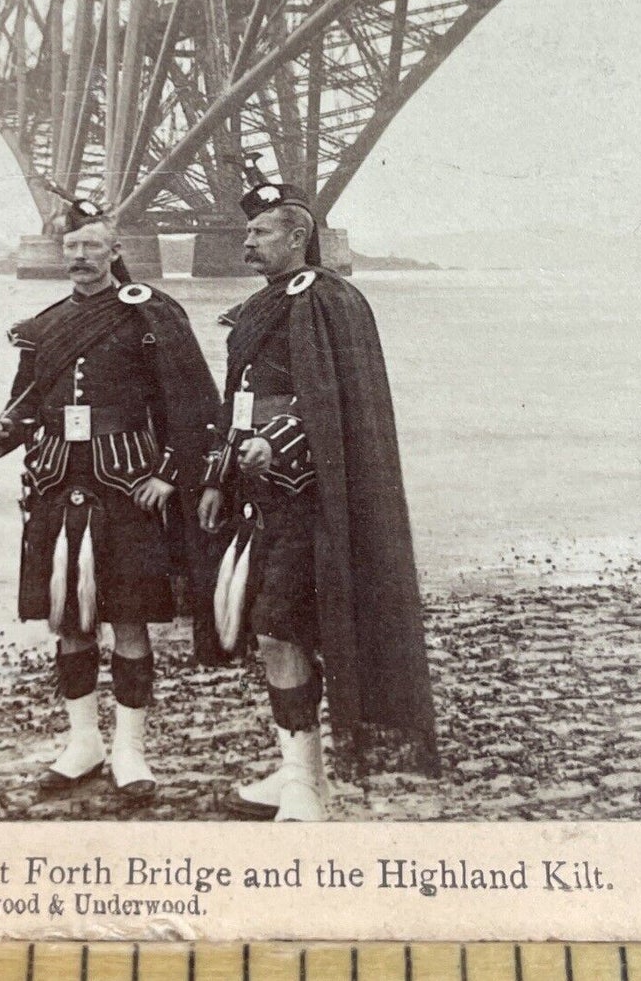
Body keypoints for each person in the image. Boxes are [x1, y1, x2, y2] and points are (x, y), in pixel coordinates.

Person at [198, 181, 439, 821]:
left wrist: (277, 445)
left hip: (312, 502)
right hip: (258, 501)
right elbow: (236, 404)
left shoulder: (330, 301)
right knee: (272, 630)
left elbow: (337, 403)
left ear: (297, 237)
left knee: (282, 628)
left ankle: (306, 785)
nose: (246, 241)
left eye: (260, 232)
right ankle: (296, 772)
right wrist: (219, 478)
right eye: (247, 232)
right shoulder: (260, 307)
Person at [0, 202, 219, 800]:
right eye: (71, 249)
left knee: (131, 621)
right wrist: (0, 431)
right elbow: (27, 404)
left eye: (92, 247)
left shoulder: (149, 315)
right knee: (69, 619)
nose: (80, 258)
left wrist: (170, 473)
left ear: (115, 251)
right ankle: (82, 743)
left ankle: (131, 752)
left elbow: (187, 402)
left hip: (127, 488)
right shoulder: (44, 325)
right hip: (59, 486)